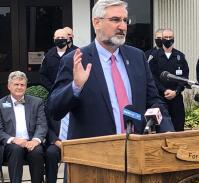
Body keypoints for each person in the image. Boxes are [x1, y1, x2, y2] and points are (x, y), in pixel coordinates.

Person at [47, 0, 174, 140]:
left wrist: (167, 131)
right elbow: (54, 110)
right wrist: (75, 87)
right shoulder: (76, 60)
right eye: (115, 20)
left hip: (135, 150)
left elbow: (154, 101)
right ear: (96, 23)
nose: (122, 26)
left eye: (125, 20)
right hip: (94, 154)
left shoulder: (137, 57)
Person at [0, 71, 47, 183]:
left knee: (37, 152)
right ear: (9, 86)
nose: (19, 87)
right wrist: (14, 139)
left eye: (22, 84)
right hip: (12, 144)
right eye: (16, 84)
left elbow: (42, 124)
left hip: (31, 141)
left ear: (26, 86)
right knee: (16, 150)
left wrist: (36, 140)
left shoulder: (36, 102)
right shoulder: (1, 104)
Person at [149, 28, 189, 131]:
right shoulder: (154, 57)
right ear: (161, 39)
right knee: (162, 129)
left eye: (170, 37)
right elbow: (152, 77)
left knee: (178, 127)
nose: (168, 39)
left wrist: (176, 91)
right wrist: (164, 90)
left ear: (174, 39)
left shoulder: (180, 56)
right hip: (161, 99)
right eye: (165, 37)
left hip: (176, 98)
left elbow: (184, 77)